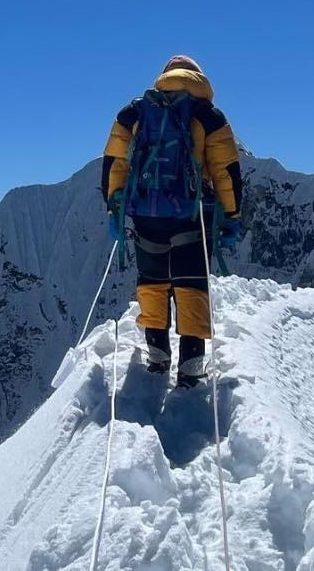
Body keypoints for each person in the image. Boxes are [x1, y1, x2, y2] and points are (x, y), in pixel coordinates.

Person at [101, 55, 243, 387]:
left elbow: (114, 162)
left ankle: (157, 356)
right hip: (192, 215)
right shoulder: (208, 116)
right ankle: (191, 367)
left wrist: (113, 210)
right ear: (198, 78)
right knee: (191, 285)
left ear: (164, 76)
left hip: (147, 213)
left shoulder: (135, 112)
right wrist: (231, 215)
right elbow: (226, 171)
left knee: (152, 283)